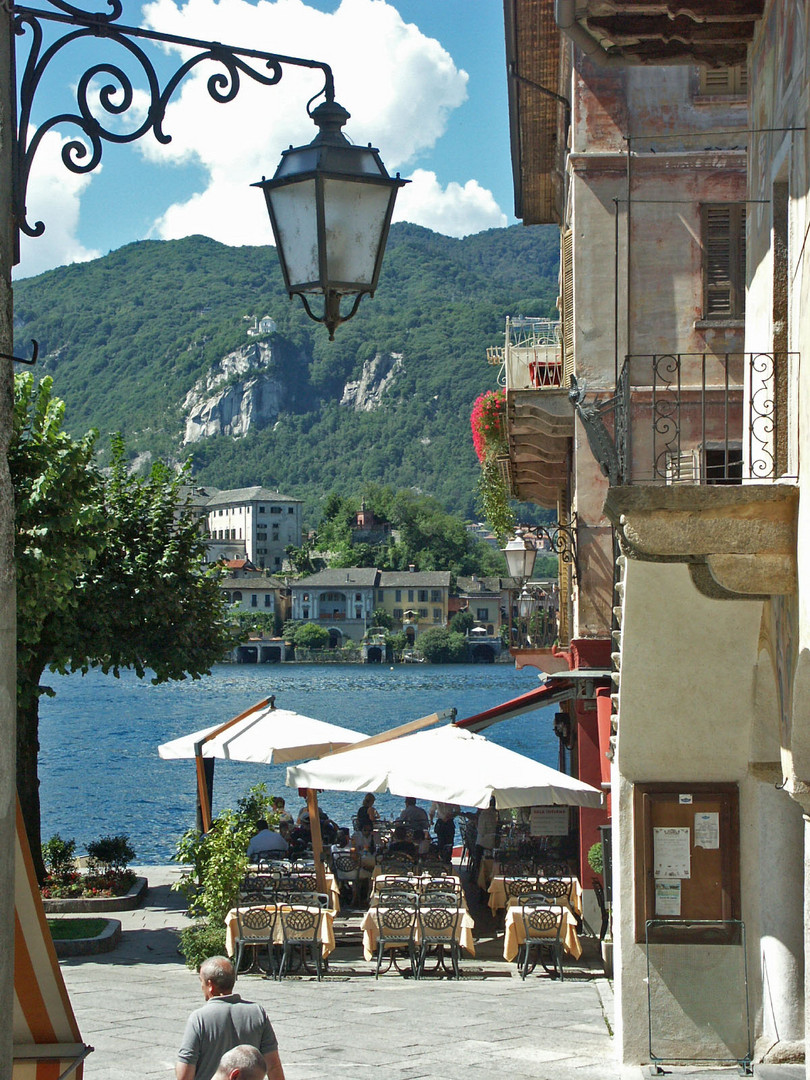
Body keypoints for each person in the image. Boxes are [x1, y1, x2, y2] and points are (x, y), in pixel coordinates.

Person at [175, 957, 284, 1080]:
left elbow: (185, 1073)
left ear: (210, 985)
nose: (201, 986)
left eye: (201, 981)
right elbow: (273, 1066)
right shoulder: (257, 1012)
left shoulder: (199, 1018)